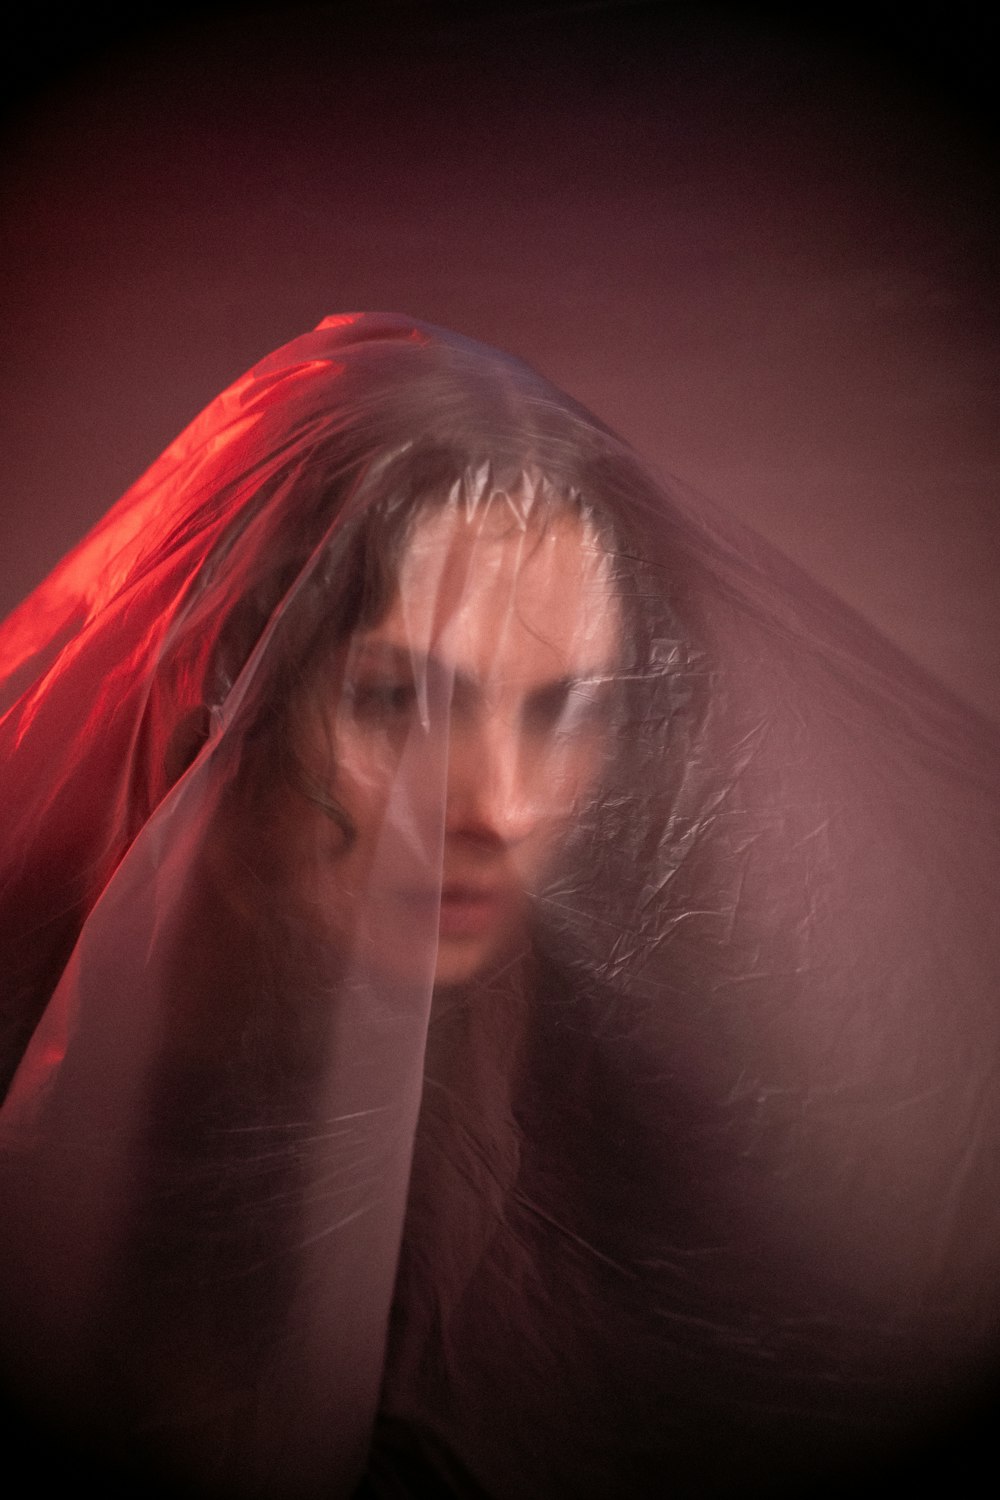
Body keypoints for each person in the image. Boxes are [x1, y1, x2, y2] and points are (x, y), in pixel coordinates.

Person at [0, 314, 998, 1498]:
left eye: (560, 714)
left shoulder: (629, 1155)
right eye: (397, 702)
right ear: (223, 690)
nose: (502, 809)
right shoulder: (30, 1034)